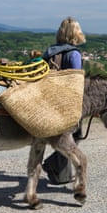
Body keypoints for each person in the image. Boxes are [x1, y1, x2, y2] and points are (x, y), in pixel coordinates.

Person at [41, 16, 86, 185]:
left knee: (65, 137)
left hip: (49, 100)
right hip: (66, 102)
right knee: (75, 136)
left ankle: (60, 172)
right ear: (76, 34)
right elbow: (75, 83)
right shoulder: (73, 54)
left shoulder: (50, 51)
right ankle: (54, 166)